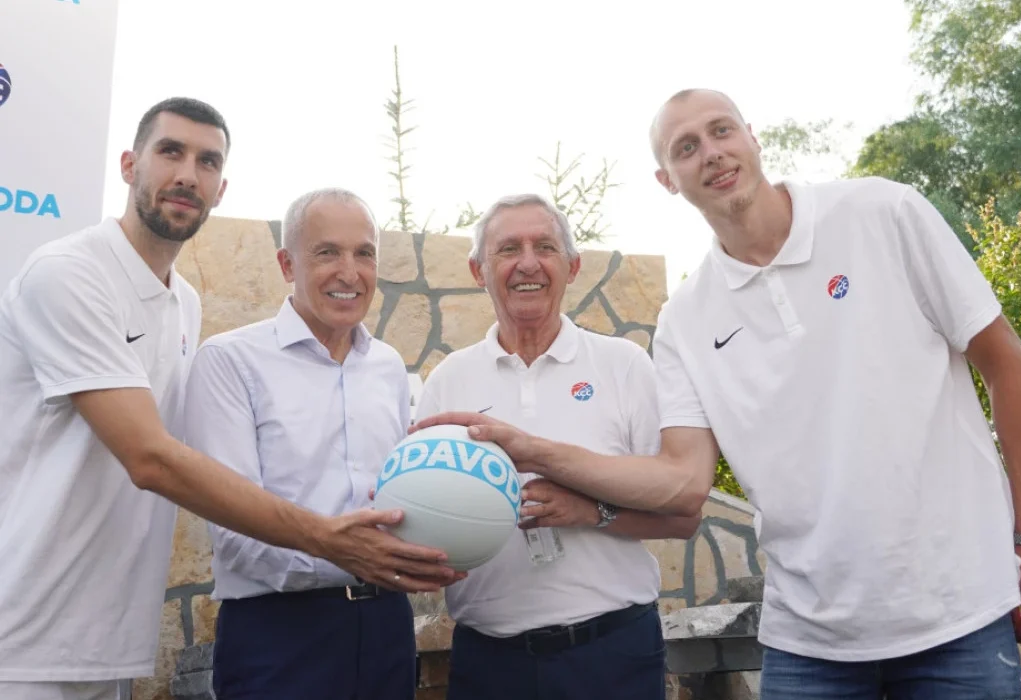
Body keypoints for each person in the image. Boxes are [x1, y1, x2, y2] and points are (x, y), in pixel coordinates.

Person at [415, 90, 1021, 699]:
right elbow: (685, 482)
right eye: (686, 147)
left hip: (961, 614)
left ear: (752, 136)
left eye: (721, 131)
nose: (710, 153)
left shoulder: (883, 212)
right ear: (667, 179)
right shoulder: (685, 319)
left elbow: (1006, 363)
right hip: (808, 641)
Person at [0, 99, 458, 700]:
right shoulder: (68, 274)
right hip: (24, 634)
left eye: (208, 161)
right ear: (129, 165)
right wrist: (330, 540)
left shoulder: (183, 303)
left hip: (104, 639)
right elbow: (150, 459)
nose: (188, 175)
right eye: (171, 152)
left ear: (221, 189)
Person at [414, 193, 701, 700]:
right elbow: (424, 510)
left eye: (544, 247)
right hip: (488, 663)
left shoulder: (624, 366)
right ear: (479, 270)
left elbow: (684, 516)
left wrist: (591, 512)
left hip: (612, 656)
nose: (528, 263)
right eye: (508, 249)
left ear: (572, 266)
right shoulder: (448, 381)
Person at [183, 188, 439, 700]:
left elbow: (399, 497)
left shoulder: (388, 366)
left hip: (387, 628)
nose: (350, 272)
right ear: (287, 264)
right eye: (327, 253)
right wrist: (353, 557)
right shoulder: (231, 361)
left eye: (364, 253)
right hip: (278, 637)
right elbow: (233, 531)